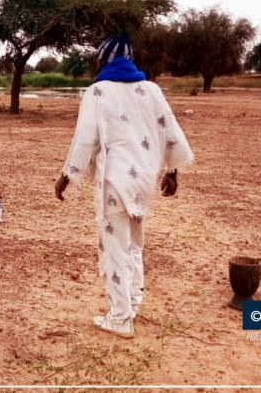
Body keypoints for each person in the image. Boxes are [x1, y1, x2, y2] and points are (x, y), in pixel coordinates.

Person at [55, 33, 194, 339]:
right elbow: (170, 130)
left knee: (115, 246)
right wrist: (172, 171)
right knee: (133, 242)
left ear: (104, 58)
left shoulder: (97, 92)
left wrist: (68, 174)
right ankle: (133, 300)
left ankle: (120, 317)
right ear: (129, 59)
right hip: (143, 179)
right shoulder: (152, 90)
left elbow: (85, 139)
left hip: (115, 182)